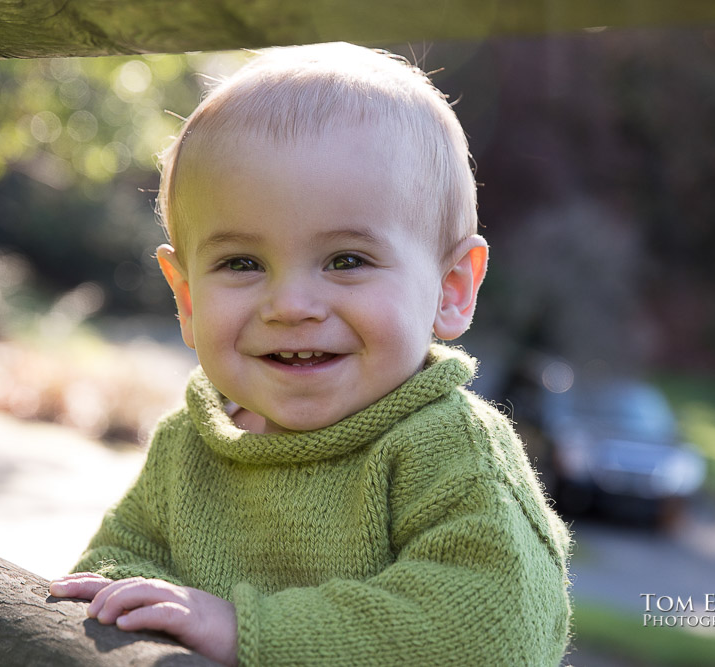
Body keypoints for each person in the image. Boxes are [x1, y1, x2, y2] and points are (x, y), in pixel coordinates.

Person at [49, 42, 571, 666]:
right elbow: (118, 565)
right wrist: (117, 593)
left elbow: (493, 624)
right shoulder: (190, 446)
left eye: (346, 260)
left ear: (451, 289)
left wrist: (248, 630)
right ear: (186, 299)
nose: (290, 304)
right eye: (241, 263)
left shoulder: (448, 450)